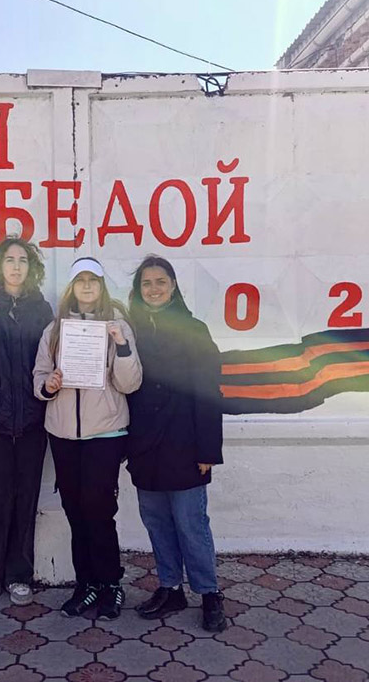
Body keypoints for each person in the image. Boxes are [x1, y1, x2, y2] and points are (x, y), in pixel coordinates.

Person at [33, 257, 142, 620]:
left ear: (101, 285)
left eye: (92, 280)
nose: (86, 286)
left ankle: (111, 583)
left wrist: (121, 345)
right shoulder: (54, 330)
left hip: (105, 433)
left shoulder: (118, 326)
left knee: (99, 510)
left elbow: (130, 383)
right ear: (71, 287)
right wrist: (48, 385)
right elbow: (39, 376)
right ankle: (86, 584)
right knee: (75, 510)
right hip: (63, 433)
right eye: (80, 280)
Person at [125, 256, 226, 632]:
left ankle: (209, 593)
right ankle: (170, 587)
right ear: (138, 290)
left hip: (185, 445)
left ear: (173, 287)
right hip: (144, 446)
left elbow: (209, 391)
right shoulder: (130, 331)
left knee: (190, 523)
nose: (153, 289)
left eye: (160, 282)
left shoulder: (194, 329)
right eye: (146, 283)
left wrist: (208, 450)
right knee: (157, 522)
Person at [0, 237, 54, 605]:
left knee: (25, 496)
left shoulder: (42, 310)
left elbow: (51, 362)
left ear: (31, 268)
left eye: (22, 260)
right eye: (9, 260)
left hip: (33, 420)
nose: (16, 266)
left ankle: (20, 574)